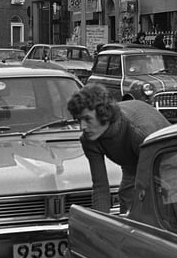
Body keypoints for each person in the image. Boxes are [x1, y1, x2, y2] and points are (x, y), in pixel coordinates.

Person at [67, 83, 171, 214]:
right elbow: (100, 187)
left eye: (88, 119)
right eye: (79, 120)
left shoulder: (139, 132)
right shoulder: (89, 139)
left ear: (103, 114)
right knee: (127, 200)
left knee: (158, 207)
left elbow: (155, 183)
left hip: (168, 158)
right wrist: (99, 225)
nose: (82, 126)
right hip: (132, 163)